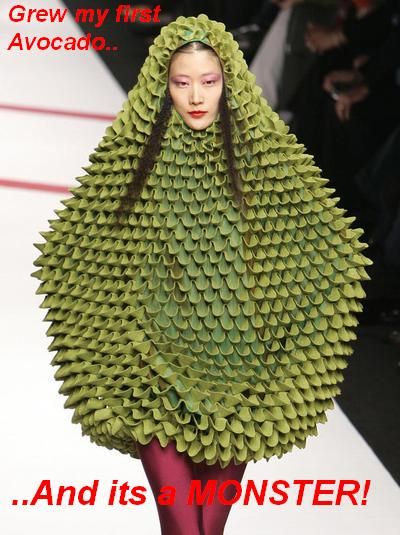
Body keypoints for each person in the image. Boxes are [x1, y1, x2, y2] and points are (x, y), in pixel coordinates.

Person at [31, 14, 373, 535]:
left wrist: (286, 340)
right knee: (183, 526)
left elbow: (333, 245)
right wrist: (111, 341)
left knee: (208, 529)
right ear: (163, 86)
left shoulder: (263, 159)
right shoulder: (133, 157)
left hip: (239, 380)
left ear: (227, 83)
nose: (195, 96)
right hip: (152, 375)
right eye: (182, 82)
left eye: (209, 82)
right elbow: (71, 245)